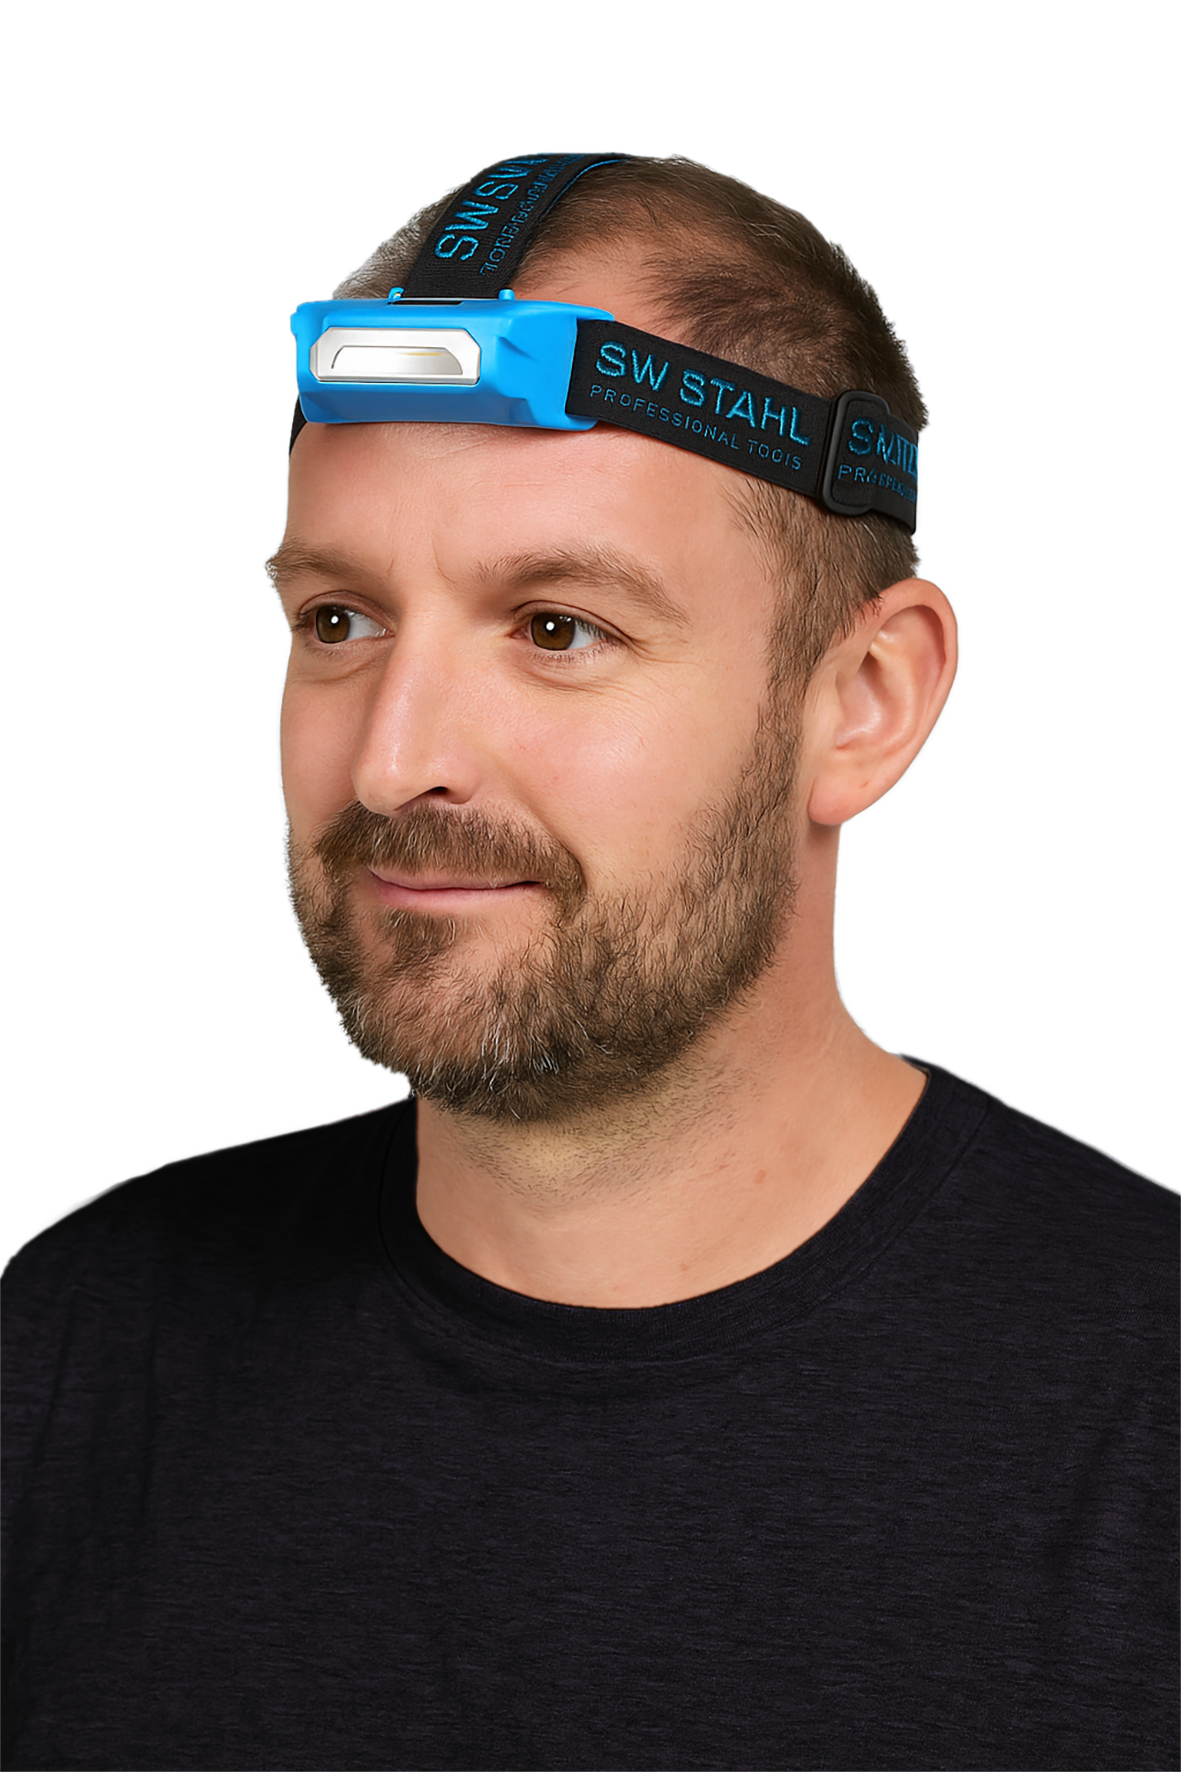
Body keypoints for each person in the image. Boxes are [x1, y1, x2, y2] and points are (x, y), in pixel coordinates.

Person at [3, 152, 1176, 1772]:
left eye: (558, 628)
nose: (393, 761)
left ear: (864, 703)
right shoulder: (72, 1355)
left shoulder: (1144, 1417)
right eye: (339, 621)